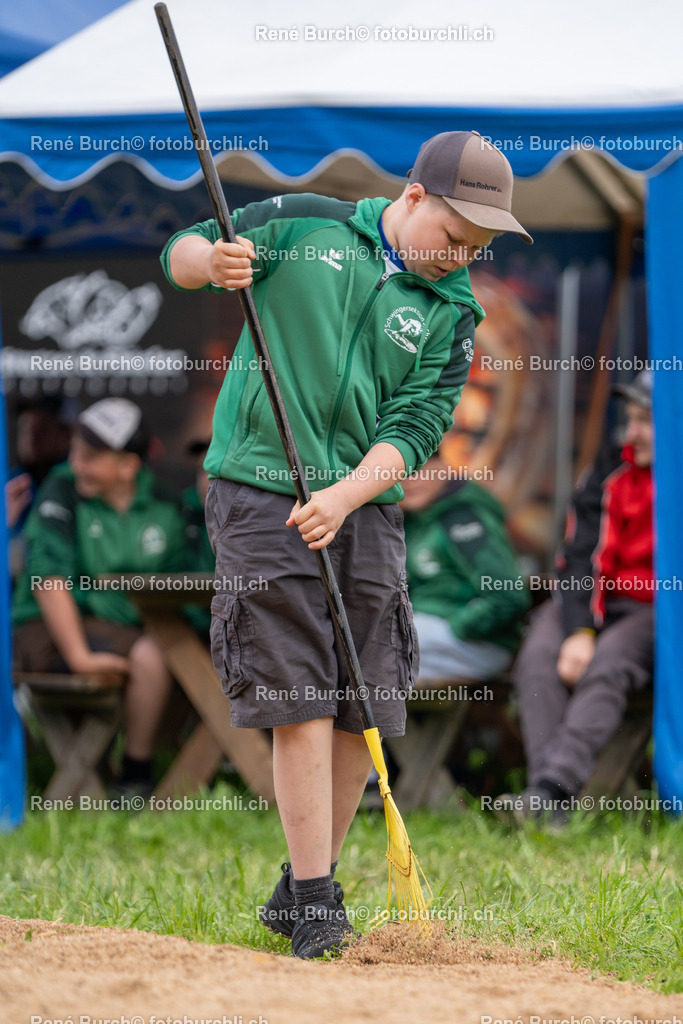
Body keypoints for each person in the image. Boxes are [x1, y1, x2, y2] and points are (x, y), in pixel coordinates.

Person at [161, 130, 532, 957]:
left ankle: (301, 884)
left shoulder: (453, 312)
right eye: (453, 235)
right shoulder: (306, 223)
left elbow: (416, 427)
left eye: (477, 246)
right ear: (410, 196)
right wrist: (208, 264)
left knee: (364, 703)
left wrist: (345, 494)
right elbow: (188, 247)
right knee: (298, 692)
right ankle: (319, 903)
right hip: (258, 486)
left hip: (363, 505)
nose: (458, 257)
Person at [499, 371, 654, 824]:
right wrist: (580, 630)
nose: (631, 433)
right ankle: (546, 797)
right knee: (538, 655)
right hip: (591, 599)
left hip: (654, 610)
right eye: (629, 419)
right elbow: (578, 558)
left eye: (645, 421)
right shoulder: (608, 470)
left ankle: (551, 790)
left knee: (610, 665)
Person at [12, 398, 186, 795]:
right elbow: (48, 578)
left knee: (168, 647)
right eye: (74, 451)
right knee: (154, 653)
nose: (75, 465)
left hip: (126, 629)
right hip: (46, 629)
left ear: (128, 465)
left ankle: (134, 770)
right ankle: (135, 776)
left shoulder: (165, 502)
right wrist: (79, 656)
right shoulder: (61, 488)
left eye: (90, 457)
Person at [401, 452, 529, 682]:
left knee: (380, 648)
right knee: (367, 669)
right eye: (400, 473)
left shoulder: (464, 518)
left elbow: (508, 596)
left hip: (477, 642)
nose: (410, 480)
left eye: (418, 469)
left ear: (443, 466)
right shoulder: (411, 519)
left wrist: (460, 626)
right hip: (427, 633)